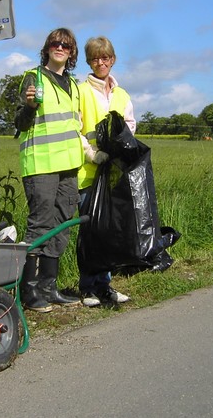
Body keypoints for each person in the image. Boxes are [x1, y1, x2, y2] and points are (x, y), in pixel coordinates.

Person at [14, 28, 84, 312]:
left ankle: (48, 287)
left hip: (69, 166)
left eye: (66, 45)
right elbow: (19, 123)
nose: (60, 48)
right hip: (41, 164)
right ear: (46, 48)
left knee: (62, 225)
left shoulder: (74, 85)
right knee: (40, 226)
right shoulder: (34, 78)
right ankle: (28, 291)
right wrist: (30, 106)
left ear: (72, 52)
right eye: (55, 43)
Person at [77, 36, 136, 307]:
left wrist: (119, 149)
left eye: (105, 58)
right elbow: (75, 129)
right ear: (89, 62)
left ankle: (105, 286)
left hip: (113, 174)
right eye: (95, 58)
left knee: (109, 232)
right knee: (90, 232)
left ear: (113, 59)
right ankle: (88, 287)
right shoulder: (81, 91)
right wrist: (92, 154)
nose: (101, 62)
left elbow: (130, 126)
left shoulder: (122, 94)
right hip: (88, 173)